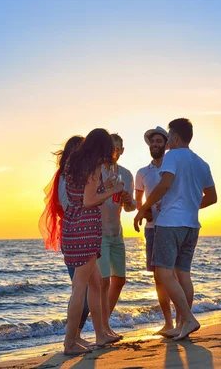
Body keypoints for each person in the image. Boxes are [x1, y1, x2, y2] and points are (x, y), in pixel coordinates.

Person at [133, 118, 217, 341]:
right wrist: (190, 204)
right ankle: (182, 325)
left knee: (163, 273)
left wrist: (144, 208)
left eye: (169, 136)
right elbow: (212, 198)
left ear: (176, 137)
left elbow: (165, 184)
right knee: (183, 274)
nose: (167, 140)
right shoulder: (202, 163)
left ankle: (188, 319)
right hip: (192, 225)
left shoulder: (172, 156)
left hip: (170, 223)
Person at [62, 128, 123, 355]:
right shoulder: (94, 165)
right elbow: (88, 201)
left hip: (71, 225)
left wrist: (102, 188)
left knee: (96, 283)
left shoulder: (72, 162)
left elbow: (79, 195)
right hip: (86, 227)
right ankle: (69, 342)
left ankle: (100, 335)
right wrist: (112, 191)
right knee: (80, 287)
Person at [38, 135, 92, 348]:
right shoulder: (64, 176)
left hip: (84, 234)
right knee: (81, 290)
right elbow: (65, 204)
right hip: (73, 234)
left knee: (89, 288)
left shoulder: (81, 174)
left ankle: (76, 335)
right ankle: (70, 339)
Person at [134, 126, 176, 335]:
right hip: (152, 229)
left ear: (166, 145)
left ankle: (183, 319)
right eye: (152, 141)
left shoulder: (173, 167)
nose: (155, 145)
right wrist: (139, 208)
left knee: (176, 274)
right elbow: (138, 201)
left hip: (173, 225)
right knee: (158, 278)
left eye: (159, 141)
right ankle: (168, 323)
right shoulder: (142, 173)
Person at [97, 133, 136, 337]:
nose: (114, 152)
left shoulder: (127, 174)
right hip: (99, 233)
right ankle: (103, 328)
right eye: (111, 148)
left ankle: (105, 324)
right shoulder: (96, 172)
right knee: (103, 282)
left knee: (119, 281)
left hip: (117, 234)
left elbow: (130, 207)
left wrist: (129, 200)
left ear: (121, 151)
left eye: (118, 148)